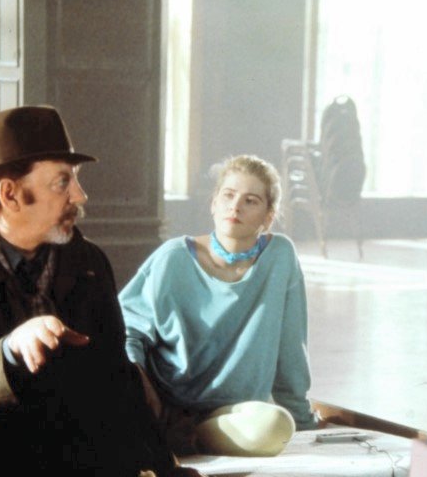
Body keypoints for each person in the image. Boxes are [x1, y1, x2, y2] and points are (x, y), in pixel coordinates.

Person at [0, 105, 203, 476]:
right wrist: (10, 352)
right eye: (62, 182)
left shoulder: (88, 263)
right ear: (9, 194)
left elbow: (117, 382)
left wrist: (164, 468)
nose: (80, 195)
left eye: (76, 179)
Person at [119, 154, 319, 455]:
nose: (235, 207)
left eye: (251, 200)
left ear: (268, 217)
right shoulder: (172, 258)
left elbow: (291, 349)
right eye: (228, 195)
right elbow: (125, 330)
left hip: (236, 413)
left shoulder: (280, 256)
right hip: (169, 405)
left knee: (276, 424)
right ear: (214, 203)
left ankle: (190, 438)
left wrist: (303, 421)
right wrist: (142, 395)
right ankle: (173, 433)